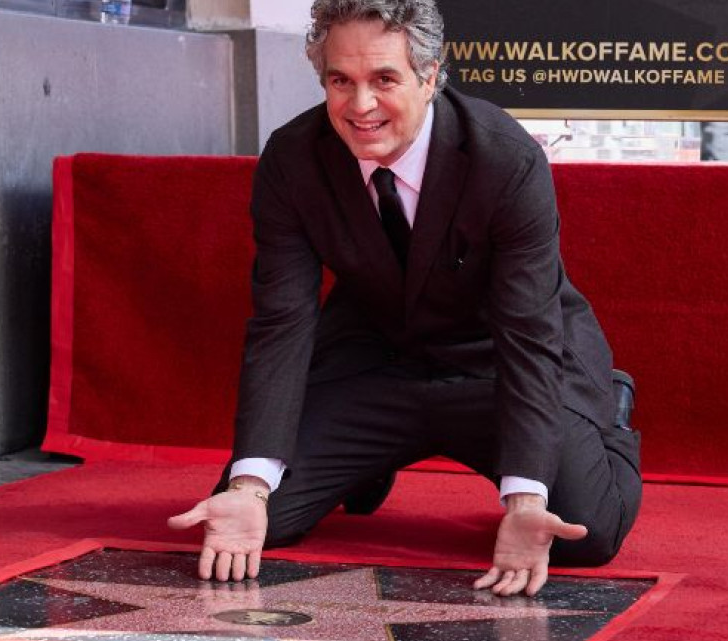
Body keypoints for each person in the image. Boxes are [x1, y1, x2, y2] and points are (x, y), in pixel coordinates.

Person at [169, 0, 642, 598]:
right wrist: (249, 487)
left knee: (585, 533)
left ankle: (609, 408)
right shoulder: (293, 159)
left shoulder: (505, 158)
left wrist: (525, 497)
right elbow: (282, 324)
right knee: (259, 524)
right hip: (378, 363)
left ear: (430, 75)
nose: (360, 106)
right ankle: (374, 460)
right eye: (341, 80)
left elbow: (528, 331)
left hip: (495, 364)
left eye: (384, 80)